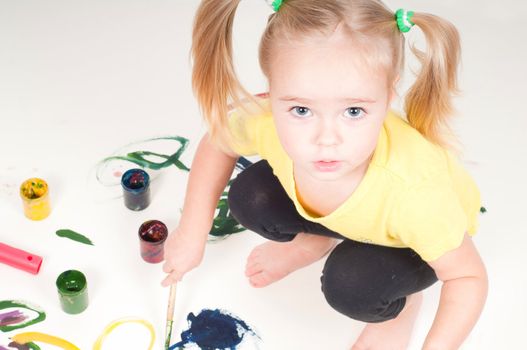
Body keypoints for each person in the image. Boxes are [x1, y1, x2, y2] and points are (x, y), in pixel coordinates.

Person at [162, 1, 488, 348]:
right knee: (250, 196)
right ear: (271, 92)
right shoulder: (268, 120)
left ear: (388, 96)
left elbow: (468, 277)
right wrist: (192, 231)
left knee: (351, 285)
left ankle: (401, 308)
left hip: (408, 242)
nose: (326, 139)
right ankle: (314, 239)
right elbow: (219, 142)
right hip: (356, 215)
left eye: (353, 111)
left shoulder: (416, 195)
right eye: (301, 110)